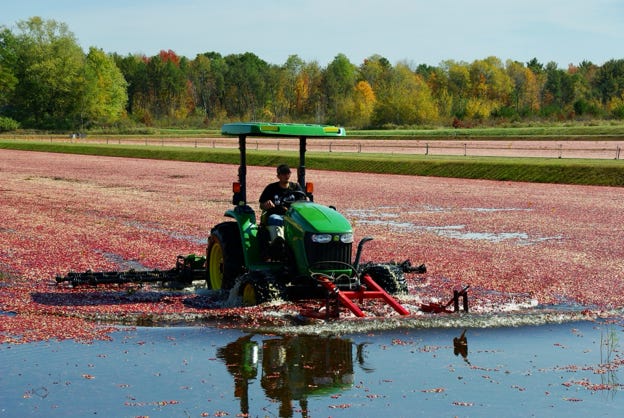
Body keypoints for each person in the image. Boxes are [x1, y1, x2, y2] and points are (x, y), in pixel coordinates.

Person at [259, 164, 304, 245]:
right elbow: (261, 205)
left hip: (293, 216)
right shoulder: (271, 188)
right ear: (278, 176)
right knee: (274, 218)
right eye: (283, 174)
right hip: (277, 215)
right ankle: (279, 244)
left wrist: (306, 200)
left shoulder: (296, 187)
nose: (286, 176)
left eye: (288, 173)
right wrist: (266, 204)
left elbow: (303, 201)